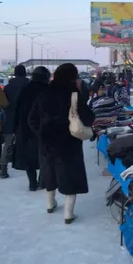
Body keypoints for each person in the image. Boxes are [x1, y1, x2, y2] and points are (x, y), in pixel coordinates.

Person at [28, 63, 94, 224]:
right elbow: (87, 118)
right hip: (69, 143)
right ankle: (68, 214)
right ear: (73, 77)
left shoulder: (44, 94)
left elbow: (32, 119)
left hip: (48, 142)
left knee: (49, 173)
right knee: (69, 176)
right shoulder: (74, 94)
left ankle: (50, 204)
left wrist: (42, 133)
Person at [13, 66, 51, 191]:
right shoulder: (48, 90)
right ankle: (42, 181)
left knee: (29, 156)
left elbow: (17, 111)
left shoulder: (26, 90)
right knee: (44, 155)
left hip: (26, 128)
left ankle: (32, 183)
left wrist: (15, 128)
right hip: (45, 128)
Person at [0, 64, 30, 179]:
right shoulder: (29, 86)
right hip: (26, 119)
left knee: (8, 144)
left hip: (10, 118)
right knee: (30, 143)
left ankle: (3, 169)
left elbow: (3, 104)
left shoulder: (7, 87)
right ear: (25, 73)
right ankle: (29, 167)